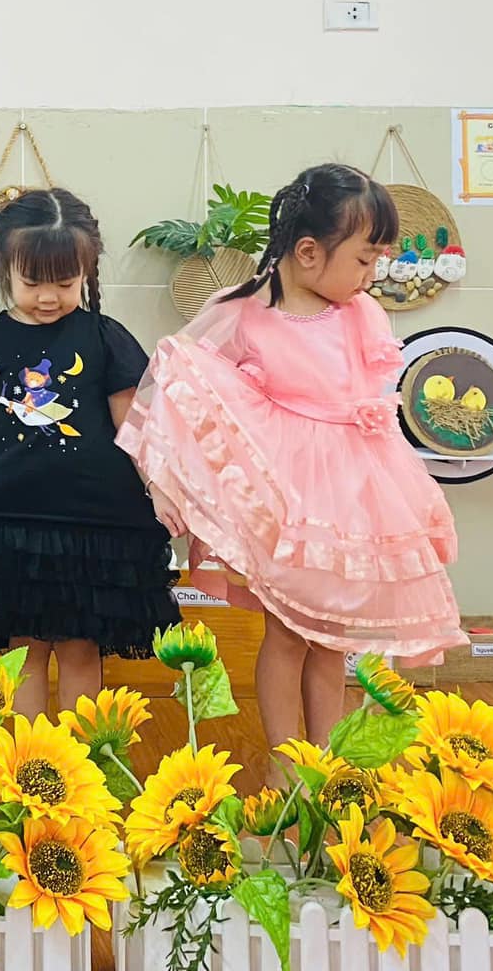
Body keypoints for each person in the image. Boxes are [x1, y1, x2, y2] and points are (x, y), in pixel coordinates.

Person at [118, 162, 463, 759]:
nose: (371, 276)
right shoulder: (244, 311)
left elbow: (367, 401)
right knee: (287, 633)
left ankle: (321, 757)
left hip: (351, 499)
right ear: (308, 252)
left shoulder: (361, 313)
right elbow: (181, 377)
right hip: (285, 503)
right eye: (364, 260)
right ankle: (285, 759)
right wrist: (165, 482)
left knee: (331, 639)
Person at [0, 187, 178, 719]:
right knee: (24, 650)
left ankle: (82, 759)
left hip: (93, 523)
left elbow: (134, 424)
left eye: (65, 282)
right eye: (33, 282)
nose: (49, 296)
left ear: (87, 271)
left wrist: (160, 489)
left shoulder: (106, 338)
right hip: (6, 523)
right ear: (4, 268)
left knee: (80, 649)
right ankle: (25, 756)